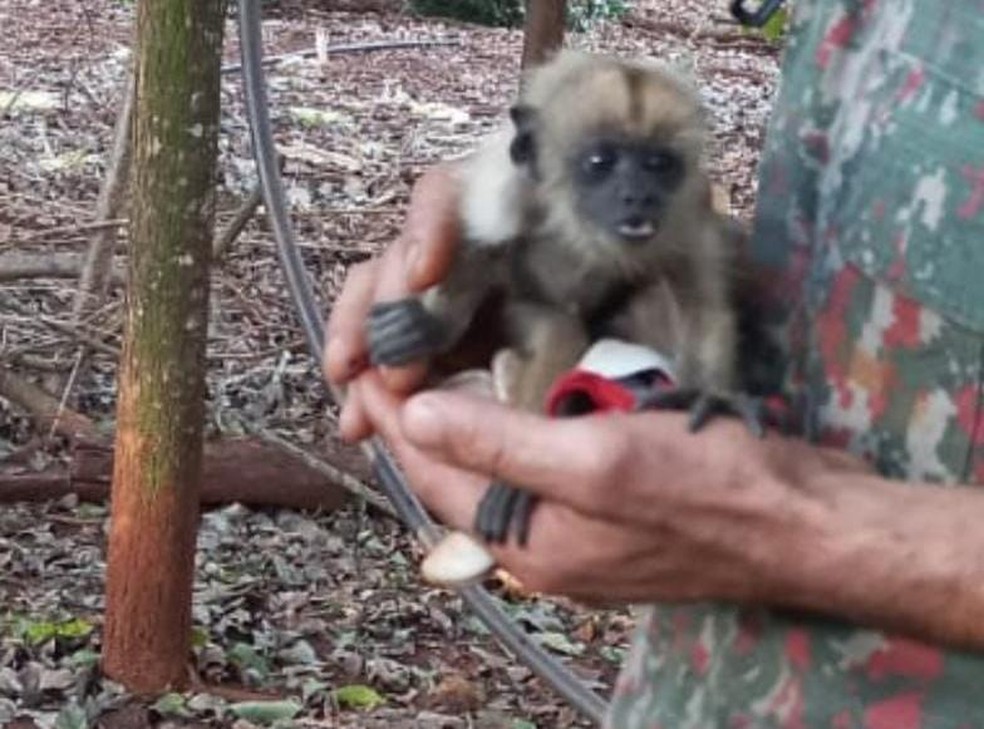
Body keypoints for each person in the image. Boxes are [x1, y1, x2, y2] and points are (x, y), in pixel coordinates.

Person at [325, 0, 984, 725]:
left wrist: (800, 529)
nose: (635, 187)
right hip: (696, 676)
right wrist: (497, 273)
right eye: (605, 164)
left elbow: (701, 300)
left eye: (655, 168)